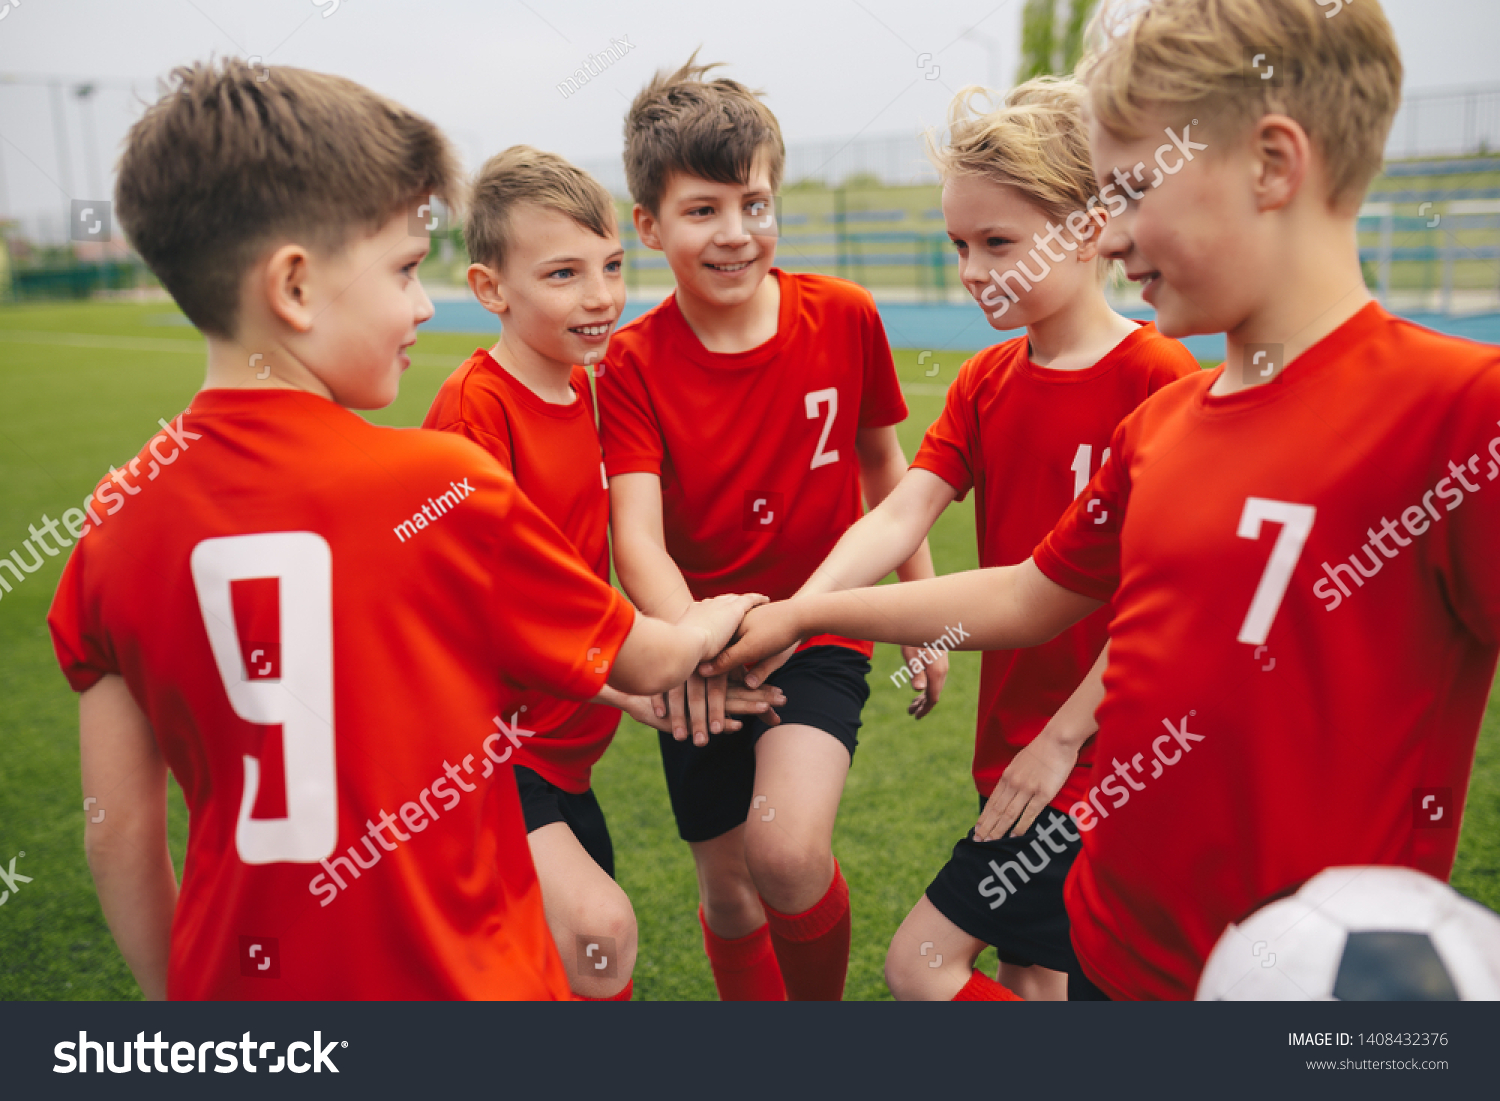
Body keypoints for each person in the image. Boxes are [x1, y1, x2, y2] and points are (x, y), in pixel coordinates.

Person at [706, 0, 1500, 1000]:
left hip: (1304, 991)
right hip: (1117, 948)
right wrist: (807, 614)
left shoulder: (1462, 415)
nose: (1110, 230)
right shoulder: (1164, 430)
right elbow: (1027, 597)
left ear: (1272, 165)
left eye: (1132, 189)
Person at [47, 60, 760, 1000]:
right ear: (294, 288)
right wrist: (737, 613)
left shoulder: (112, 522)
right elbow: (653, 660)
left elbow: (119, 830)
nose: (424, 305)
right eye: (401, 270)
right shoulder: (439, 483)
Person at [774, 77, 1196, 1002]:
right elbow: (899, 513)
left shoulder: (1159, 375)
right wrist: (791, 615)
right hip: (1011, 744)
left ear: (1087, 228)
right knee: (1033, 972)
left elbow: (1173, 590)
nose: (971, 268)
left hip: (1099, 755)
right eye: (958, 244)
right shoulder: (984, 379)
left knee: (924, 965)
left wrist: (1063, 738)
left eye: (997, 242)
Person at [600, 56, 936, 1000]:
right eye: (702, 210)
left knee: (784, 850)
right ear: (650, 225)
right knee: (730, 892)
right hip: (698, 644)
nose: (736, 233)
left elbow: (887, 470)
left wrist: (921, 599)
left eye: (754, 203)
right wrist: (689, 649)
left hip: (819, 622)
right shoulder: (630, 363)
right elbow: (637, 537)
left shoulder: (845, 316)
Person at [422, 145, 783, 1000]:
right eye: (562, 274)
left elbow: (575, 591)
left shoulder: (594, 391)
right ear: (489, 290)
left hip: (563, 749)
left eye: (613, 265)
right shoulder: (478, 408)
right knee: (600, 929)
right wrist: (667, 653)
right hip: (481, 750)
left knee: (570, 968)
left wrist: (629, 694)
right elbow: (487, 608)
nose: (600, 296)